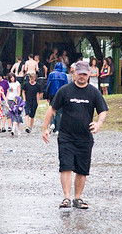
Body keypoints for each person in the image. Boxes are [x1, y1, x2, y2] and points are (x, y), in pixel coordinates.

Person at [42, 60, 108, 209]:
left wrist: (99, 123)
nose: (82, 76)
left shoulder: (93, 92)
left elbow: (103, 110)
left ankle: (78, 198)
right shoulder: (65, 90)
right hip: (66, 136)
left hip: (85, 137)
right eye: (80, 74)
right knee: (65, 166)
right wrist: (44, 128)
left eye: (85, 74)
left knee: (82, 169)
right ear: (74, 73)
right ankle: (66, 197)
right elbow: (52, 109)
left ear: (89, 74)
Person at [45, 62, 68, 133]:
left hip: (52, 94)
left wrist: (46, 96)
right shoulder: (64, 75)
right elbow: (66, 86)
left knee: (51, 109)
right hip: (61, 94)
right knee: (58, 112)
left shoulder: (51, 74)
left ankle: (52, 123)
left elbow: (48, 85)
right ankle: (57, 129)